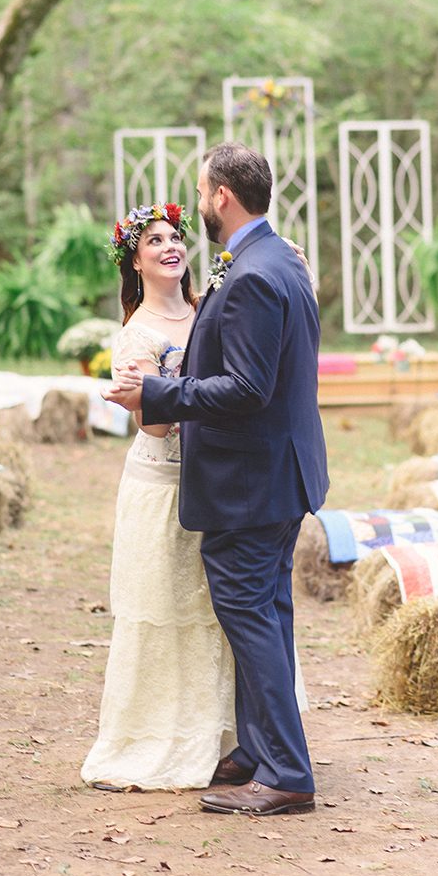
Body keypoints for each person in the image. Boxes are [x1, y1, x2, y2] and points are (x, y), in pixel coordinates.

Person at [106, 143, 329, 816]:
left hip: (250, 481)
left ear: (222, 197)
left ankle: (286, 772)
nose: (199, 204)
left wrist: (160, 394)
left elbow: (248, 389)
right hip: (274, 475)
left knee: (252, 618)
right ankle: (261, 750)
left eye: (202, 194)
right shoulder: (276, 257)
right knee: (271, 615)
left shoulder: (256, 275)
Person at [80, 204, 237, 791]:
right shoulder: (135, 334)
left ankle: (226, 735)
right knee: (167, 610)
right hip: (163, 486)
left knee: (215, 612)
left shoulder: (207, 312)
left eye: (175, 237)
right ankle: (165, 736)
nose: (171, 246)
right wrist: (147, 399)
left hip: (216, 479)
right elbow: (157, 426)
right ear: (135, 261)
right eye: (155, 241)